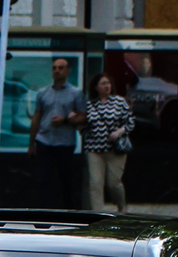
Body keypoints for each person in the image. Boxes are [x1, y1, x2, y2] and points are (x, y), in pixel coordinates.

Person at [28, 56, 87, 208]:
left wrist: (66, 120)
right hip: (44, 140)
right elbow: (37, 117)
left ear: (68, 71)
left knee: (66, 178)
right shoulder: (43, 93)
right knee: (43, 179)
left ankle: (68, 210)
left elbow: (83, 117)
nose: (57, 71)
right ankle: (43, 210)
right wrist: (31, 143)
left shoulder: (76, 93)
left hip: (65, 141)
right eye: (54, 68)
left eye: (61, 68)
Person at [82, 69, 134, 214]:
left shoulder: (119, 102)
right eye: (103, 83)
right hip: (94, 149)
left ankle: (122, 206)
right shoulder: (90, 105)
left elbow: (130, 123)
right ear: (96, 87)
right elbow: (85, 125)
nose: (106, 86)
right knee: (95, 183)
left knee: (113, 183)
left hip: (115, 149)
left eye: (108, 83)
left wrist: (119, 132)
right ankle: (97, 212)